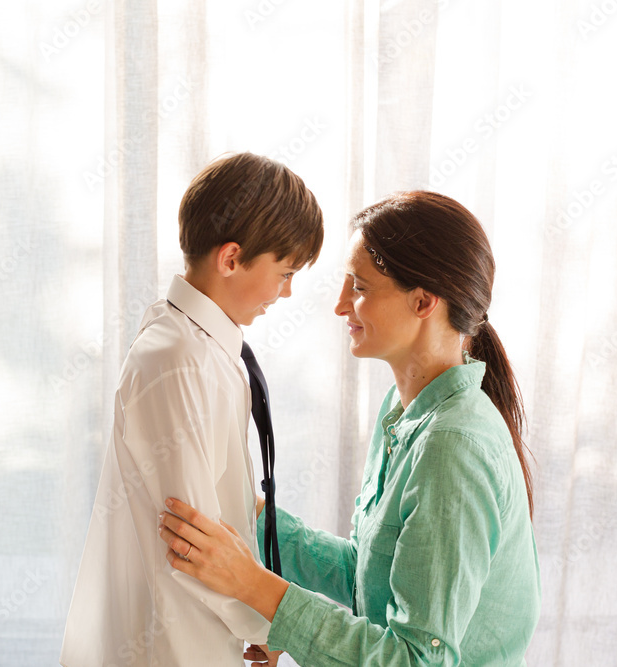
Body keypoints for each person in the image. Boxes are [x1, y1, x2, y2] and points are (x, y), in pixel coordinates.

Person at [158, 191, 542, 665]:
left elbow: (415, 659)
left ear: (423, 301)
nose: (340, 306)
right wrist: (254, 517)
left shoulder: (453, 446)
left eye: (358, 287)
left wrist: (256, 588)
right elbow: (366, 576)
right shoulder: (404, 411)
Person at [60, 153, 324, 666]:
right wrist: (265, 620)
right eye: (285, 272)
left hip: (195, 637)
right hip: (167, 644)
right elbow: (191, 539)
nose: (287, 292)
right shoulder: (179, 359)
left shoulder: (203, 349)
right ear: (231, 259)